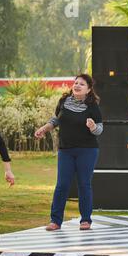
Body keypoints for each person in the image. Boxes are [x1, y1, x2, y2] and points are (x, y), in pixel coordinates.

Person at [35, 74, 103, 231]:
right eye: (76, 82)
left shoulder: (92, 105)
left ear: (89, 89)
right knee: (62, 185)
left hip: (87, 150)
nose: (77, 85)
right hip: (66, 150)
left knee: (84, 184)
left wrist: (93, 127)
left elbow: (100, 129)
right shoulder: (64, 101)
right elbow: (56, 119)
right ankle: (55, 221)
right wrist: (45, 128)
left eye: (82, 84)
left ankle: (85, 220)